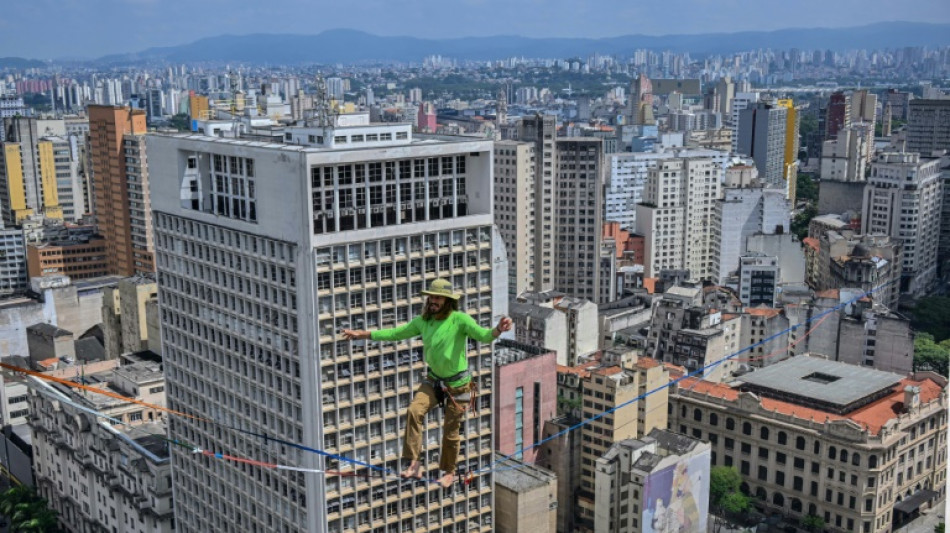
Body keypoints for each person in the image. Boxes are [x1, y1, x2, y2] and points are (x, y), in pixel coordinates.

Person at [342, 278, 512, 488]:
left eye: (437, 297)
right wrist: (364, 334)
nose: (433, 301)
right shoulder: (423, 321)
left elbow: (484, 336)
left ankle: (449, 471)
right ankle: (414, 463)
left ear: (448, 301)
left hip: (459, 384)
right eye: (431, 297)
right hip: (433, 380)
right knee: (414, 411)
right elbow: (396, 333)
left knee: (451, 431)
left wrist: (498, 329)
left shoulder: (460, 320)